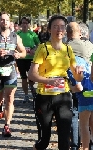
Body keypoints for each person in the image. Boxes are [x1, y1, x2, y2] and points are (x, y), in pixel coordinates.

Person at [28, 15, 84, 150]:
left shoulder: (68, 49)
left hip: (64, 96)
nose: (59, 29)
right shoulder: (43, 48)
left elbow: (77, 77)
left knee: (65, 139)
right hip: (44, 97)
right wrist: (49, 81)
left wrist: (79, 74)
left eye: (62, 27)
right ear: (49, 29)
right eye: (55, 26)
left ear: (65, 30)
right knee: (44, 141)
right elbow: (31, 74)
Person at [67, 22, 93, 150]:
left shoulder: (67, 50)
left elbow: (78, 87)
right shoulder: (89, 46)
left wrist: (70, 87)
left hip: (83, 93)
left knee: (82, 124)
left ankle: (81, 147)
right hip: (92, 89)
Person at [16, 16, 40, 103]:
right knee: (23, 77)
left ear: (29, 24)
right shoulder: (18, 34)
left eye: (26, 23)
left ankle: (31, 86)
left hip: (31, 59)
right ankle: (26, 95)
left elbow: (39, 45)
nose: (24, 25)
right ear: (21, 24)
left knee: (32, 77)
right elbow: (14, 45)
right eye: (23, 23)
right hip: (21, 59)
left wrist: (34, 50)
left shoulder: (33, 34)